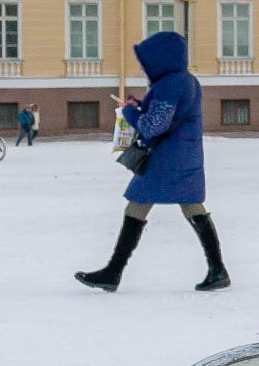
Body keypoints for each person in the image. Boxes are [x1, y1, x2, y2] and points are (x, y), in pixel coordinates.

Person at [75, 31, 230, 293]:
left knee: (141, 205)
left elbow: (153, 126)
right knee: (189, 206)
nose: (143, 67)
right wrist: (140, 105)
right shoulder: (185, 80)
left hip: (167, 159)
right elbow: (165, 114)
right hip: (182, 156)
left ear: (161, 59)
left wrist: (129, 112)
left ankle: (113, 272)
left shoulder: (170, 83)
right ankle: (217, 269)